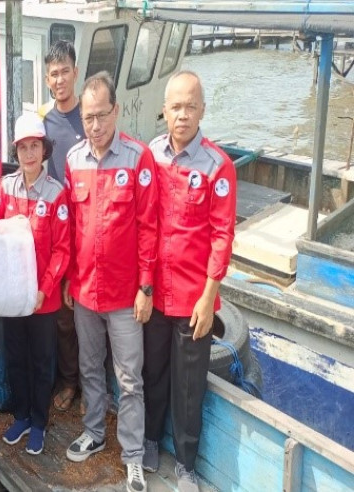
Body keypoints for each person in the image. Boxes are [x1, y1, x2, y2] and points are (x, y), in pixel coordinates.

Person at [62, 72, 158, 492]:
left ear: (116, 111)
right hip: (84, 291)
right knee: (89, 368)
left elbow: (149, 227)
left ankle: (133, 456)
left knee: (130, 378)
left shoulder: (138, 159)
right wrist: (68, 278)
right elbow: (71, 227)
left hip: (124, 296)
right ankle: (95, 432)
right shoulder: (73, 160)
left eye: (102, 115)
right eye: (88, 118)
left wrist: (146, 287)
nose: (95, 126)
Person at [144, 71, 236, 492]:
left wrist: (208, 298)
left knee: (188, 386)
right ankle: (148, 440)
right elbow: (142, 223)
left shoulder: (218, 166)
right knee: (152, 372)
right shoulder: (151, 156)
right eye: (175, 106)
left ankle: (185, 464)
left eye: (190, 106)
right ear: (164, 109)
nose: (182, 115)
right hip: (153, 292)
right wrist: (141, 286)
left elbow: (222, 236)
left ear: (202, 110)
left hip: (193, 299)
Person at [0, 114, 70, 455]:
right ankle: (20, 416)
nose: (29, 154)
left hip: (42, 300)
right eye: (23, 148)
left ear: (44, 150)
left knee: (41, 361)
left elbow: (63, 250)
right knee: (15, 357)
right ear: (16, 152)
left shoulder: (57, 194)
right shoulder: (6, 187)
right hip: (12, 296)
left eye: (35, 146)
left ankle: (39, 422)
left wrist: (43, 289)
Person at [39, 40, 85, 413]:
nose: (59, 79)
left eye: (64, 71)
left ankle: (93, 384)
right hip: (60, 231)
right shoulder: (43, 124)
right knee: (64, 317)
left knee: (94, 316)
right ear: (46, 78)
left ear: (76, 72)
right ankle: (70, 381)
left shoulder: (90, 117)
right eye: (53, 74)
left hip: (92, 229)